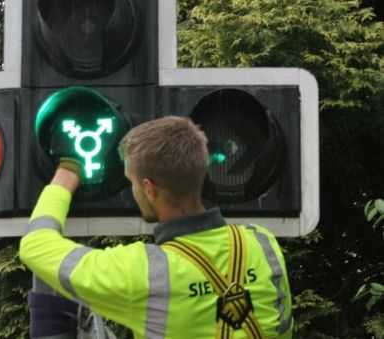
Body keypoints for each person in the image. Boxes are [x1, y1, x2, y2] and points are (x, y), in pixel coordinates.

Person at [19, 116, 294, 339]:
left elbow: (36, 245)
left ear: (149, 189)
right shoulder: (262, 244)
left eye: (133, 182)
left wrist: (66, 174)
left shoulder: (142, 273)